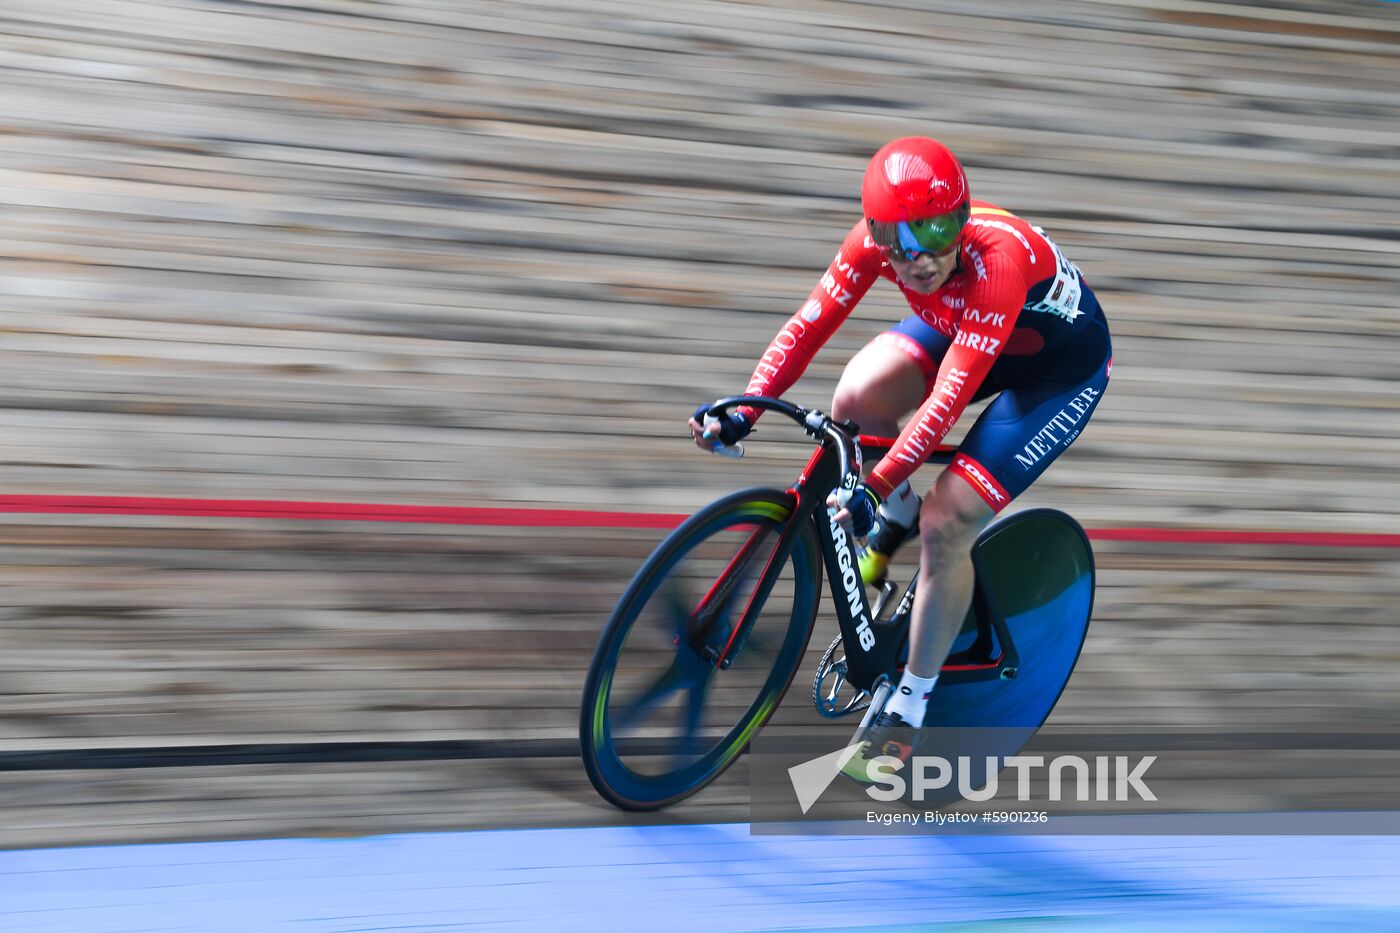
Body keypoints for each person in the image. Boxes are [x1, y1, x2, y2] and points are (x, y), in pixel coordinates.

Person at [688, 136, 1113, 766]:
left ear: (961, 221)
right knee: (854, 400)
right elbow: (808, 325)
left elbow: (946, 400)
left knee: (949, 519)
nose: (917, 259)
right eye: (897, 241)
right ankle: (897, 520)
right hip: (962, 324)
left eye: (936, 233)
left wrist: (876, 482)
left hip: (1053, 376)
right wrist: (747, 406)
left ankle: (910, 702)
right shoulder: (878, 247)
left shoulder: (994, 263)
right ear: (877, 235)